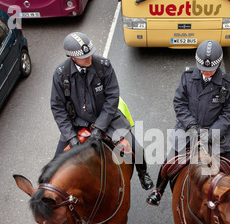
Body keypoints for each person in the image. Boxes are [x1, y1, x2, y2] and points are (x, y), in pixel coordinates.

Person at [146, 40, 230, 207]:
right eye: (203, 69)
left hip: (217, 133)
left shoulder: (228, 84)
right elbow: (179, 103)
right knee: (169, 161)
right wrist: (192, 127)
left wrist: (212, 133)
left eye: (210, 70)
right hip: (188, 130)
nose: (206, 73)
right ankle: (158, 190)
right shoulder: (187, 77)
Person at [50, 32, 153, 190]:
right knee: (56, 166)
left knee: (136, 148)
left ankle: (142, 173)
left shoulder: (103, 66)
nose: (89, 58)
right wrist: (71, 137)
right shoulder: (60, 75)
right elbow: (58, 108)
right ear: (72, 57)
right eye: (84, 56)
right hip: (77, 124)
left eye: (90, 53)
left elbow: (112, 98)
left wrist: (99, 128)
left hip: (108, 120)